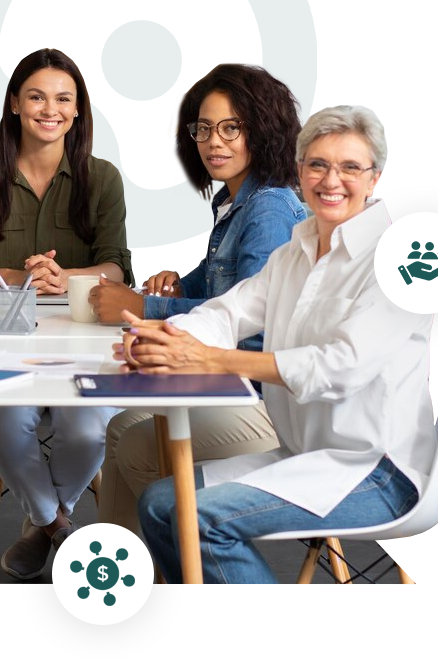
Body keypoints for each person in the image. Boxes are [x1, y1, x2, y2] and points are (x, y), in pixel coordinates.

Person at [123, 105, 435, 584]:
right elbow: (229, 312)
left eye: (350, 167)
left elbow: (337, 369)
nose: (332, 180)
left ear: (374, 178)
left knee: (199, 519)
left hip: (376, 473)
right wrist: (164, 340)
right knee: (161, 503)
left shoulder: (399, 262)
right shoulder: (296, 251)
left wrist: (210, 358)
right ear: (299, 171)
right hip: (304, 454)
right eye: (318, 165)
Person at [90, 63, 306, 533]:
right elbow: (220, 284)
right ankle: (133, 569)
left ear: (263, 130)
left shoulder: (268, 207)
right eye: (203, 129)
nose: (214, 142)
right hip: (233, 389)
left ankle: (184, 557)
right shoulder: (234, 201)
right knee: (122, 426)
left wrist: (143, 307)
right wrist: (178, 283)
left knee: (135, 447)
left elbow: (251, 329)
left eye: (232, 128)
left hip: (268, 408)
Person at [0, 47, 133, 579]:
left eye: (63, 99)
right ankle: (57, 525)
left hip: (85, 339)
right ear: (13, 105)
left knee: (86, 431)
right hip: (5, 337)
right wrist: (21, 278)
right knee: (2, 422)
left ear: (77, 111)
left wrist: (65, 278)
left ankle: (39, 523)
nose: (49, 109)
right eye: (36, 96)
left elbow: (119, 269)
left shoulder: (103, 179)